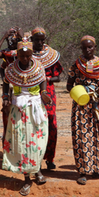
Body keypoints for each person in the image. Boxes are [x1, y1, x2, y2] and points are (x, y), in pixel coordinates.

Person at [1, 38, 52, 196]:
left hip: (35, 108)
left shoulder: (38, 68)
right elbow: (5, 83)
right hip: (19, 109)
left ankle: (37, 170)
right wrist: (5, 98)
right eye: (22, 56)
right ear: (17, 55)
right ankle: (27, 179)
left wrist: (44, 94)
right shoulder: (11, 69)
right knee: (21, 143)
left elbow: (43, 80)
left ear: (31, 55)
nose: (25, 58)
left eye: (28, 55)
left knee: (37, 141)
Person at [66, 35, 99, 185]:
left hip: (98, 105)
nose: (87, 50)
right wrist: (80, 92)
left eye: (90, 47)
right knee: (81, 136)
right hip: (81, 105)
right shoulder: (76, 65)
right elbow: (68, 85)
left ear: (95, 47)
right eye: (84, 47)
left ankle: (97, 168)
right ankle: (83, 171)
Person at [31, 27, 64, 170]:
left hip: (49, 92)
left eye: (42, 40)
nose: (39, 42)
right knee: (34, 124)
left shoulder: (51, 56)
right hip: (32, 92)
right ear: (32, 40)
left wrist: (46, 78)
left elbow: (58, 77)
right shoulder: (26, 54)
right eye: (36, 40)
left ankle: (49, 158)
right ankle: (35, 157)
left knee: (51, 123)